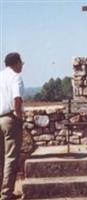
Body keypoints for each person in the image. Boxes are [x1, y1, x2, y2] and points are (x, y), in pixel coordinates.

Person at [0, 52, 24, 199]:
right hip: (9, 119)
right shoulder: (16, 77)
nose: (22, 65)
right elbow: (17, 99)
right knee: (11, 157)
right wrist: (19, 117)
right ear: (16, 63)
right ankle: (6, 193)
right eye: (21, 62)